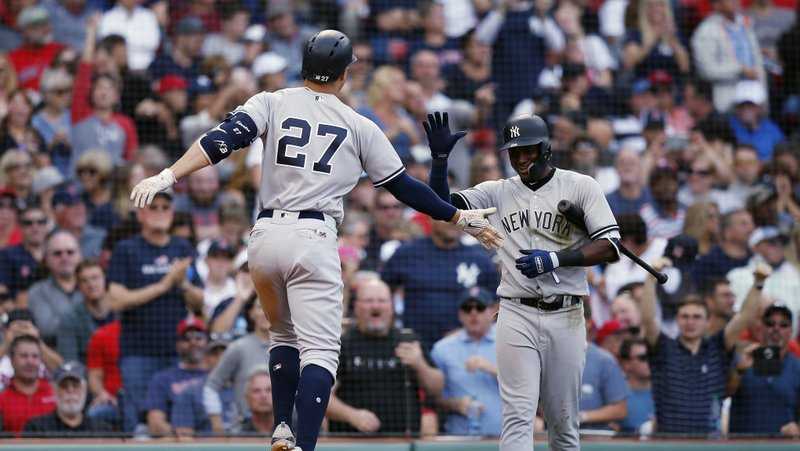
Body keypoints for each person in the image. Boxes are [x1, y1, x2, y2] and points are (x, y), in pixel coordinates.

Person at [129, 29, 502, 451]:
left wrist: (168, 174)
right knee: (321, 353)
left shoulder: (272, 100)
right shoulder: (359, 124)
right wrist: (456, 214)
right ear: (344, 74)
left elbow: (221, 142)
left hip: (265, 235)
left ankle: (282, 427)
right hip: (314, 235)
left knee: (283, 336)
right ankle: (304, 446)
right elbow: (404, 189)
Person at [426, 111, 621, 450]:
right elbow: (440, 206)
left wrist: (556, 259)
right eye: (515, 152)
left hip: (566, 312)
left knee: (563, 422)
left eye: (528, 150)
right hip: (516, 312)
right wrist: (441, 161)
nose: (520, 158)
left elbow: (609, 246)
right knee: (517, 415)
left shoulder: (580, 185)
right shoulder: (498, 190)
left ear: (545, 148)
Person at [107, 190, 201, 432]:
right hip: (138, 352)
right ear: (140, 214)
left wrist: (183, 284)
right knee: (140, 424)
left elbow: (200, 301)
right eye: (153, 207)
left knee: (177, 420)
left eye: (165, 208)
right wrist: (164, 285)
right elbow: (115, 300)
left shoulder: (182, 248)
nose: (160, 212)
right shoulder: (126, 249)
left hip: (176, 351)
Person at [638, 258, 767, 434]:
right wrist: (651, 278)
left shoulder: (718, 347)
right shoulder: (663, 348)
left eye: (697, 317)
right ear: (677, 320)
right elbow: (648, 319)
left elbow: (744, 317)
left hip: (709, 442)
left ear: (708, 321)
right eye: (685, 316)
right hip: (668, 442)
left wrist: (759, 283)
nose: (690, 322)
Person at [326, 278, 444, 435]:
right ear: (356, 307)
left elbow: (437, 389)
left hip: (402, 441)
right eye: (369, 301)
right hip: (352, 441)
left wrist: (420, 364)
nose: (376, 306)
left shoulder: (408, 339)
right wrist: (352, 415)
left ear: (392, 307)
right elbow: (320, 396)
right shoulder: (342, 345)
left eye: (382, 301)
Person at [381, 217, 500, 350]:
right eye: (447, 217)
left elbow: (497, 304)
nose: (453, 223)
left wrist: (467, 332)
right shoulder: (407, 254)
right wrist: (391, 329)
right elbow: (382, 290)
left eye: (458, 218)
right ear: (431, 219)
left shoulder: (479, 259)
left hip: (466, 349)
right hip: (415, 347)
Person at [431, 288, 502, 436]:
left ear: (493, 311)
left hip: (505, 438)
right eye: (467, 308)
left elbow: (530, 385)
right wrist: (455, 404)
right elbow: (434, 398)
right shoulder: (442, 349)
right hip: (459, 440)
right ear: (460, 314)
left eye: (480, 307)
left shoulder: (510, 342)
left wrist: (493, 369)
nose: (473, 313)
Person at [728, 305, 800, 436]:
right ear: (761, 328)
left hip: (783, 446)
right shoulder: (743, 358)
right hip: (742, 446)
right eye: (770, 324)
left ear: (791, 330)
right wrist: (739, 371)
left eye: (783, 325)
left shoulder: (797, 366)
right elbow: (723, 394)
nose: (776, 329)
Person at [204, 297, 271, 433]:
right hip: (245, 431)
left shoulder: (293, 348)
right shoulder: (239, 347)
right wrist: (217, 426)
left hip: (287, 428)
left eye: (271, 306)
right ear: (251, 313)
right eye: (260, 307)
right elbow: (211, 386)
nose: (265, 312)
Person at [691, 0, 765, 112]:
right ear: (716, 4)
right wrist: (739, 69)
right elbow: (707, 70)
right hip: (729, 100)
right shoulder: (706, 31)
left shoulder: (746, 24)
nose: (735, 2)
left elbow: (757, 60)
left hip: (756, 95)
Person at [145, 318, 209, 437]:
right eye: (186, 338)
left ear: (207, 341)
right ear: (177, 344)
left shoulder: (217, 376)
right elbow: (155, 424)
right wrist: (185, 438)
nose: (193, 342)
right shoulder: (162, 379)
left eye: (198, 337)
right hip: (179, 443)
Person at [727, 227, 800, 331]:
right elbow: (736, 315)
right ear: (754, 247)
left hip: (789, 343)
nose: (778, 246)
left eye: (781, 242)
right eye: (771, 243)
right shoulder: (739, 275)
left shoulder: (795, 276)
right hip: (749, 340)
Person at [22, 361, 111, 437]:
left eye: (76, 386)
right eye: (64, 386)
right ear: (54, 391)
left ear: (85, 389)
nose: (70, 390)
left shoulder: (101, 430)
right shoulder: (37, 429)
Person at [26, 230, 83, 347]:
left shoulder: (93, 284)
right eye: (57, 253)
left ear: (80, 256)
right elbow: (47, 329)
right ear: (46, 259)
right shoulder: (37, 291)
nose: (64, 257)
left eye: (70, 252)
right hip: (56, 357)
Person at [56, 259, 115, 363]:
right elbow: (70, 363)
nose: (91, 284)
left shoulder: (122, 313)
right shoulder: (69, 319)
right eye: (84, 280)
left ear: (105, 279)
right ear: (78, 286)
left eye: (95, 278)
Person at [0, 335, 56, 435]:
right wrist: (6, 342)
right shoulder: (2, 399)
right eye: (23, 356)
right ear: (12, 360)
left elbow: (64, 369)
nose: (30, 361)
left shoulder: (54, 393)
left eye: (35, 356)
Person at [693, 209, 754, 289]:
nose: (751, 228)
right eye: (743, 224)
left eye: (751, 223)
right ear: (727, 231)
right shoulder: (709, 262)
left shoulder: (757, 258)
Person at [0, 204, 47, 304]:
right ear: (20, 227)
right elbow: (2, 288)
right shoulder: (7, 255)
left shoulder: (57, 252)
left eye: (40, 222)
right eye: (28, 223)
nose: (35, 227)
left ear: (46, 225)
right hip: (20, 313)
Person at [617, 338, 654, 434]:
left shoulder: (668, 392)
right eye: (643, 358)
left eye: (653, 356)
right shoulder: (615, 394)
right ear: (626, 363)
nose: (650, 361)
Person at [238, 366, 275, 434]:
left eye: (269, 390)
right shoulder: (237, 434)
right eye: (256, 391)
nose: (263, 396)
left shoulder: (294, 431)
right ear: (247, 397)